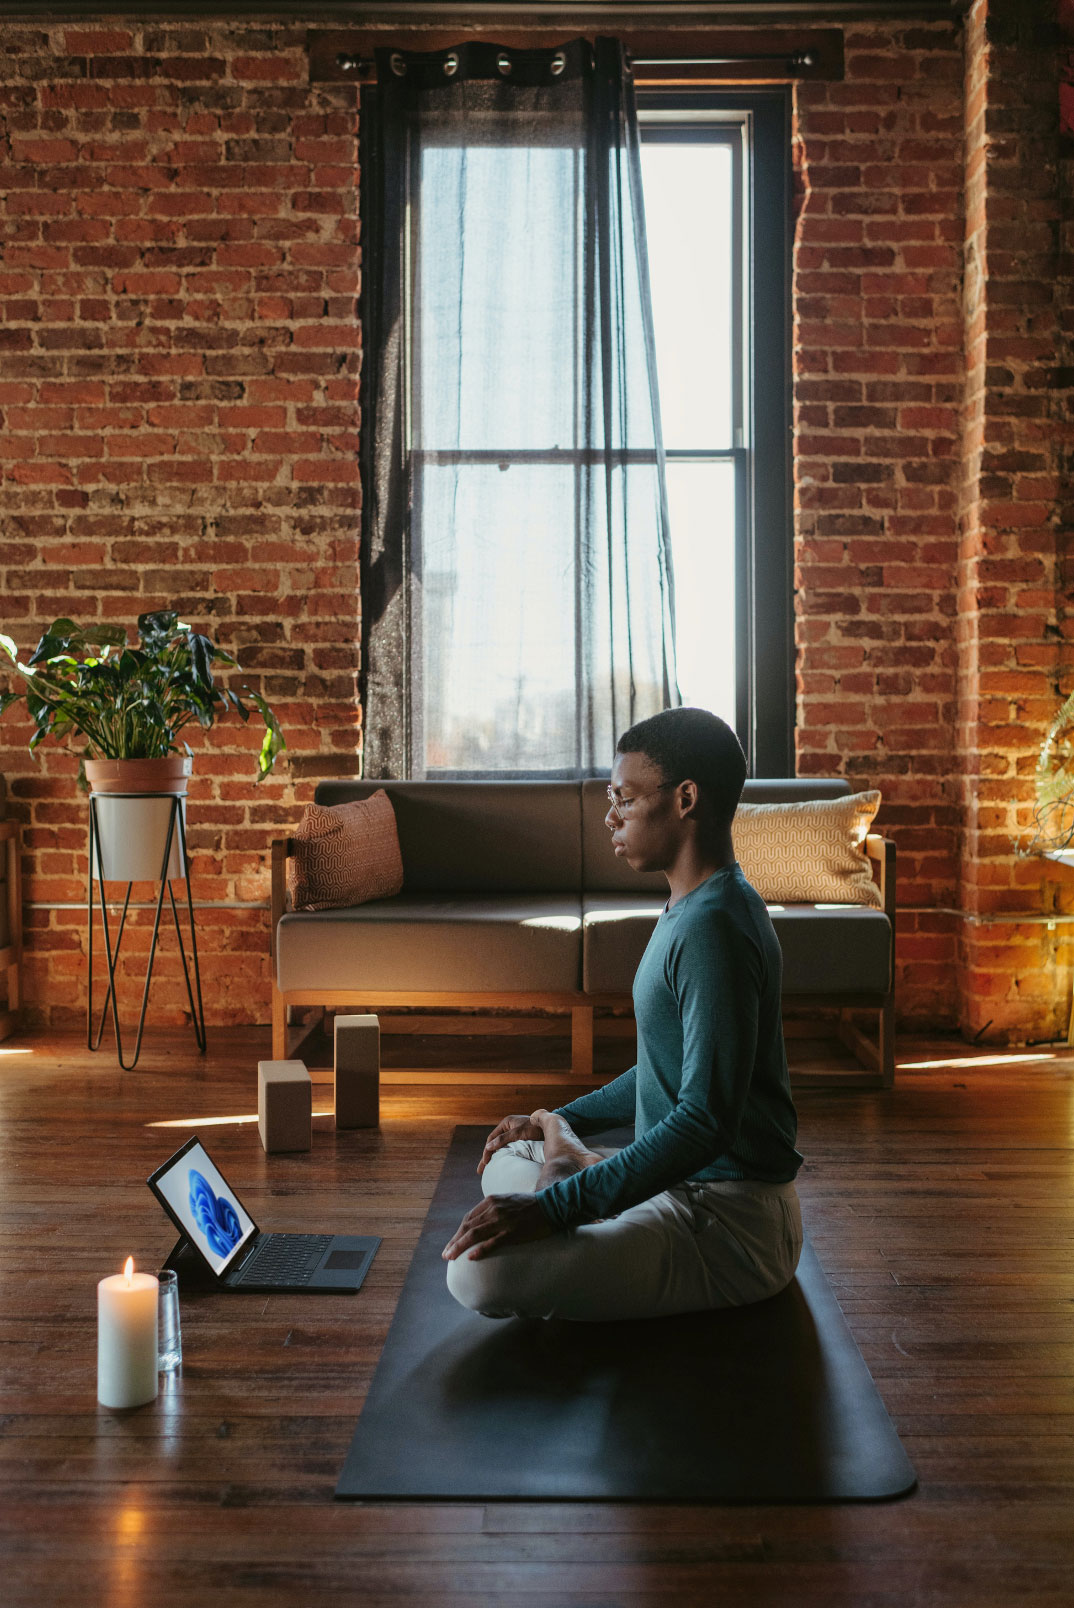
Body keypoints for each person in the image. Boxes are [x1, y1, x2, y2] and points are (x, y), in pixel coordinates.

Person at [442, 707, 804, 1322]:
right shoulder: (689, 907)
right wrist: (557, 1116)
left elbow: (704, 1121)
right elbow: (662, 1068)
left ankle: (570, 1168)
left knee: (476, 1275)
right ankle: (564, 1150)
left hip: (730, 1224)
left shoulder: (717, 926)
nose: (611, 816)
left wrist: (555, 1210)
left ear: (686, 798)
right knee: (509, 1159)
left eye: (625, 798)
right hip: (678, 1190)